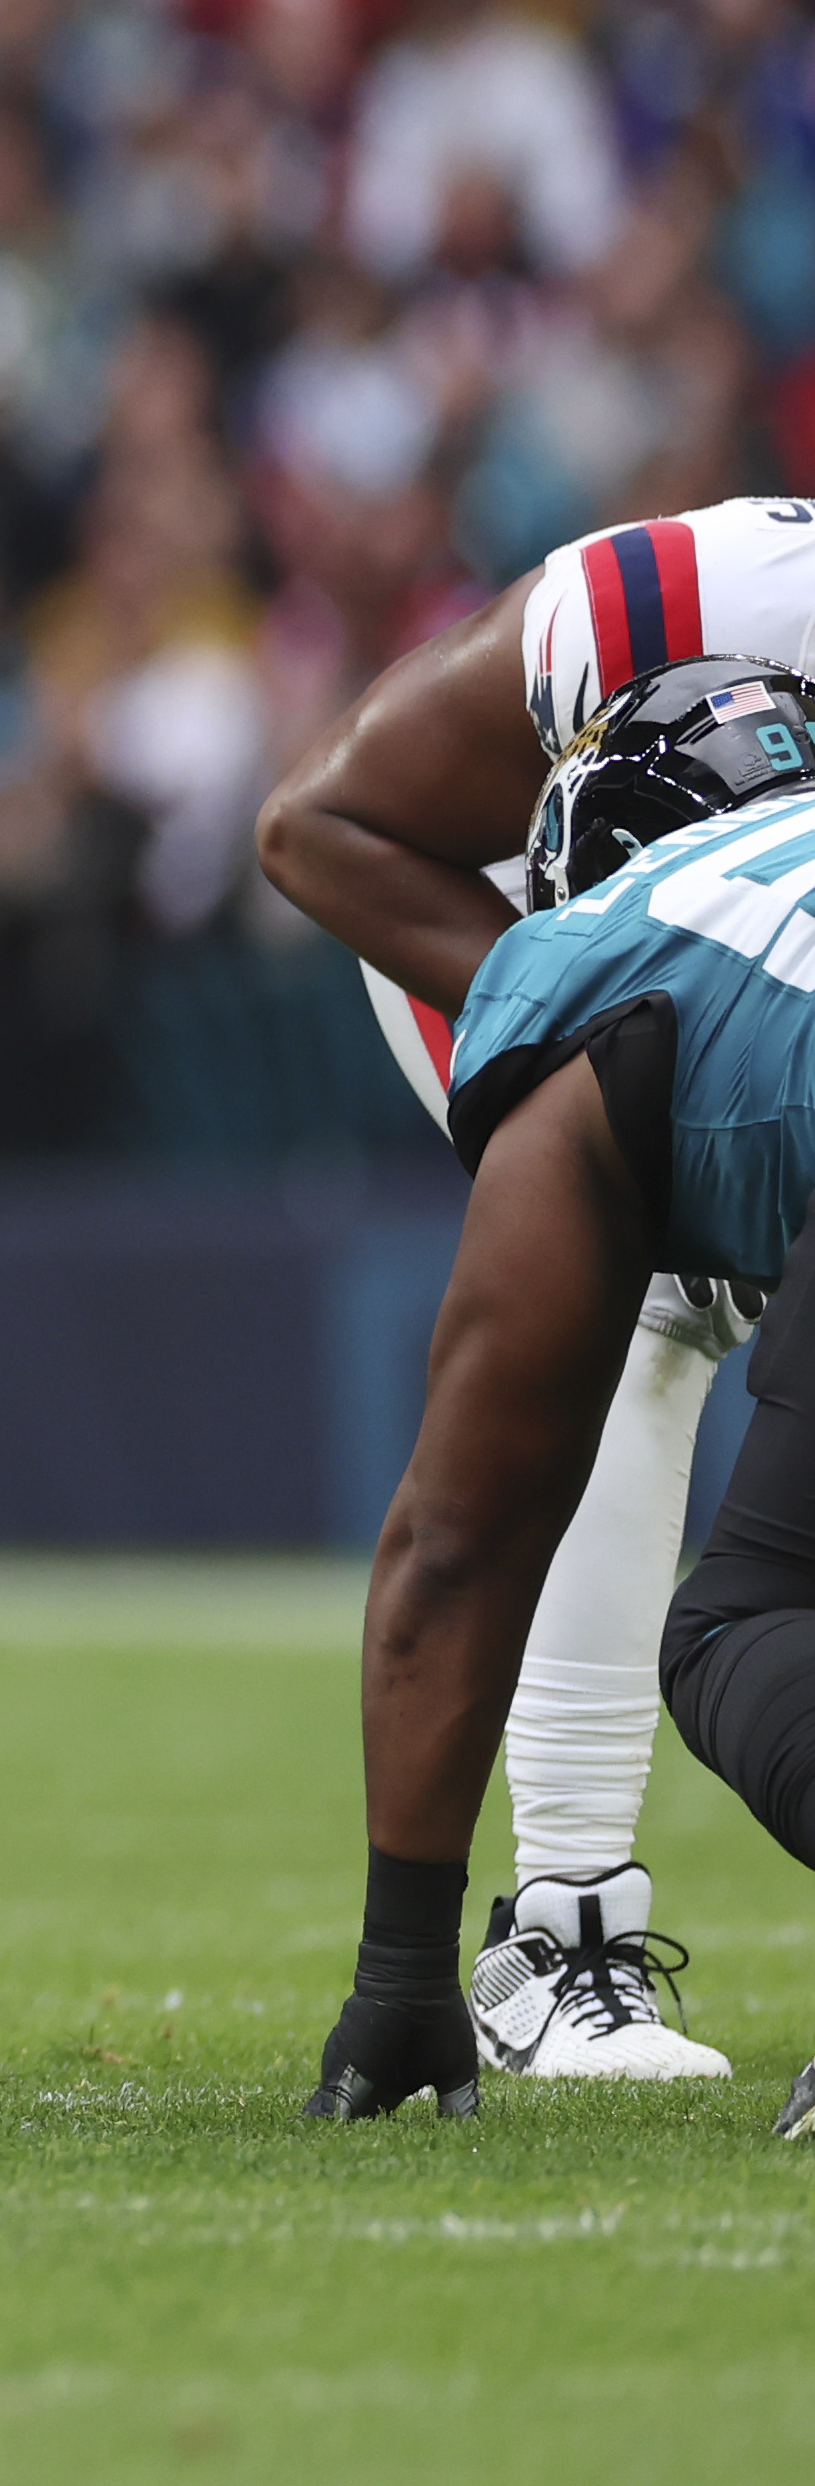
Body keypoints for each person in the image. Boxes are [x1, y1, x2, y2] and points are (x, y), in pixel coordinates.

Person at [257, 503, 814, 2079]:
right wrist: (592, 989)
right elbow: (317, 825)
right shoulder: (714, 593)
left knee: (757, 1606)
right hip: (575, 914)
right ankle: (561, 1926)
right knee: (642, 1324)